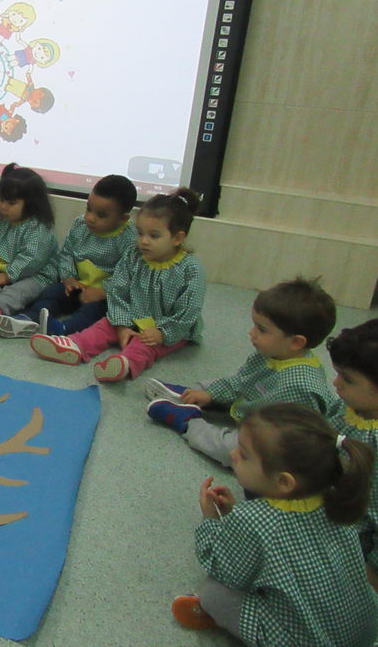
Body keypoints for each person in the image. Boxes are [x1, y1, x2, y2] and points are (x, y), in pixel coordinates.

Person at [172, 403, 377, 646]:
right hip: (365, 631)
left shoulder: (252, 518)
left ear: (284, 481)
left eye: (244, 454)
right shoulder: (333, 500)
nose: (233, 454)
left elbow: (224, 570)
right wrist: (234, 518)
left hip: (303, 641)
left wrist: (212, 521)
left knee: (213, 591)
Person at [145, 277, 338, 466]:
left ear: (296, 342)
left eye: (262, 329)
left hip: (277, 442)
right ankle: (192, 397)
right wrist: (210, 393)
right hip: (259, 405)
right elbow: (242, 380)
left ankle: (187, 421)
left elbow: (274, 443)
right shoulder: (277, 351)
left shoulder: (300, 387)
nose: (251, 333)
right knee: (216, 385)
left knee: (232, 449)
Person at [30, 188, 205, 382]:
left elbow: (188, 311)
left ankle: (126, 364)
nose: (143, 241)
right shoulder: (133, 255)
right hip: (133, 315)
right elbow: (118, 291)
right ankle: (73, 345)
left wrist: (162, 333)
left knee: (144, 345)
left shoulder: (191, 269)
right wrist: (121, 325)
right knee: (102, 327)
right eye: (140, 233)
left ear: (177, 238)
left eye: (154, 236)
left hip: (166, 327)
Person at [0, 174, 137, 339]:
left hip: (105, 294)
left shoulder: (129, 239)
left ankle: (62, 329)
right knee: (51, 293)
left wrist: (103, 292)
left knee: (92, 311)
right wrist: (68, 278)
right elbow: (67, 253)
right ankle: (28, 319)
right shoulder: (80, 224)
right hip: (77, 286)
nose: (90, 217)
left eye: (101, 215)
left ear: (122, 218)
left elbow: (128, 275)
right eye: (89, 208)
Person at [0, 164, 58, 330]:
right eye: (2, 200)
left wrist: (8, 276)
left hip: (36, 275)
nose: (3, 206)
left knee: (19, 290)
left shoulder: (38, 228)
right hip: (5, 268)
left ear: (32, 204)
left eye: (11, 203)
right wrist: (1, 272)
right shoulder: (7, 220)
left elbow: (31, 259)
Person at [326, 319, 378, 591]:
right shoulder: (351, 405)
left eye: (347, 379)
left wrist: (371, 570)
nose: (336, 383)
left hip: (353, 533)